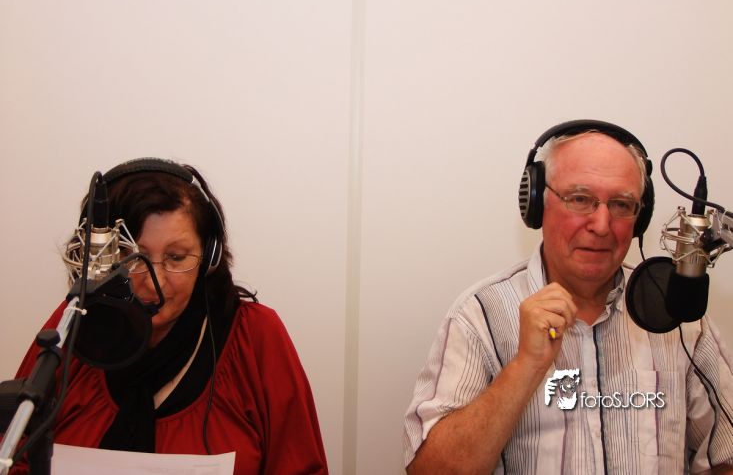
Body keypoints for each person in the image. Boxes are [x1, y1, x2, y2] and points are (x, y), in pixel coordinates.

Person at [403, 120, 733, 474]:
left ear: (641, 217)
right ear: (536, 203)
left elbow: (725, 457)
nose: (602, 225)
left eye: (621, 204)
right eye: (580, 199)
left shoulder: (679, 315)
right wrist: (525, 366)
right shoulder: (479, 316)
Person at [10, 158, 328, 474]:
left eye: (176, 257)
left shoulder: (256, 335)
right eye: (133, 257)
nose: (155, 282)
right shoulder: (76, 323)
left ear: (209, 257)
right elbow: (13, 455)